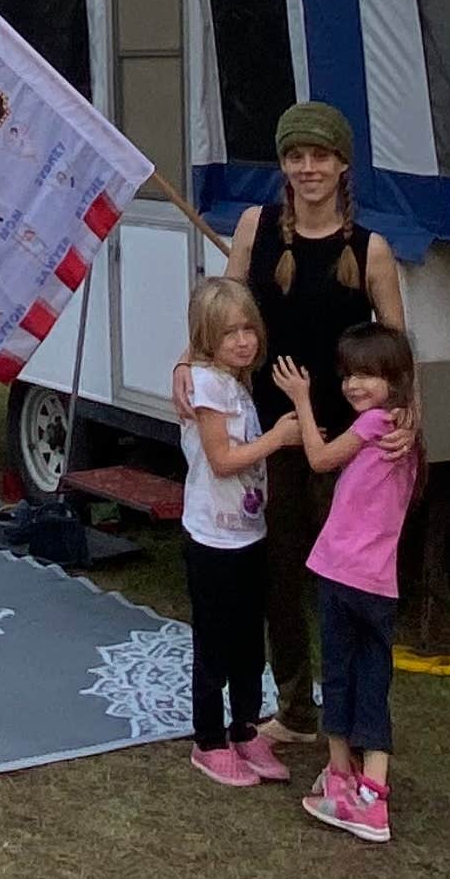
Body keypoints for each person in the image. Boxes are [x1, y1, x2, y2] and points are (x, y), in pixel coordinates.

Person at [227, 100, 407, 742]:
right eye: (296, 157)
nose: (308, 168)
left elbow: (397, 356)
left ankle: (349, 711)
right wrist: (189, 376)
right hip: (272, 435)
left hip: (347, 444)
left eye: (321, 156)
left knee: (342, 581)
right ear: (283, 165)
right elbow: (223, 326)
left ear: (342, 165)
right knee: (278, 574)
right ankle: (296, 708)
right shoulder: (255, 228)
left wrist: (407, 423)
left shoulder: (371, 249)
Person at [274, 321, 420, 845]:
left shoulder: (379, 423)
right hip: (378, 584)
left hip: (342, 575)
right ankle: (369, 789)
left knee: (339, 674)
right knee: (372, 680)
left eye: (367, 375)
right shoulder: (402, 426)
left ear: (394, 380)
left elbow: (317, 458)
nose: (354, 385)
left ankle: (346, 784)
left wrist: (301, 399)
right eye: (349, 375)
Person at [169, 277, 305, 787]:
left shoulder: (237, 381)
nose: (244, 341)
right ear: (206, 339)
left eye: (249, 329)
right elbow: (222, 460)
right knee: (216, 641)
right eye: (230, 334)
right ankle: (208, 740)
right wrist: (277, 438)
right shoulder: (206, 385)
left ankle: (245, 727)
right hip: (212, 538)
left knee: (250, 639)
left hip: (248, 532)